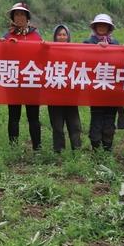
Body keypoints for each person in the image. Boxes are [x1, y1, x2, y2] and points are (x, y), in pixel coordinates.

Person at [1, 3, 43, 151]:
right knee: (14, 116)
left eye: (22, 15)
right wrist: (4, 46)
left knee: (33, 117)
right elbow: (0, 56)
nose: (19, 18)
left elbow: (43, 57)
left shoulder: (36, 36)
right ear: (13, 18)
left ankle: (37, 148)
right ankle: (13, 148)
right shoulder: (7, 36)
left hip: (31, 82)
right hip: (13, 82)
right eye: (16, 15)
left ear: (27, 18)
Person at [83, 13, 121, 151]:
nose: (101, 27)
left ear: (109, 28)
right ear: (94, 27)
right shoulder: (88, 43)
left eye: (104, 25)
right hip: (96, 90)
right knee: (97, 120)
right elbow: (82, 59)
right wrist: (95, 49)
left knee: (110, 120)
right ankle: (96, 150)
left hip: (112, 90)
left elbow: (121, 61)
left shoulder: (115, 44)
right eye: (99, 25)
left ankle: (107, 149)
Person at [47, 24, 82, 152]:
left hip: (71, 95)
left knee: (74, 125)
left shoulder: (75, 51)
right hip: (54, 95)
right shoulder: (49, 51)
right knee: (57, 126)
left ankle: (76, 150)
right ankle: (59, 151)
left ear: (68, 37)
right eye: (59, 34)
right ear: (55, 37)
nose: (62, 37)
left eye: (64, 34)